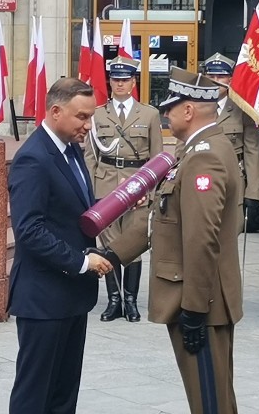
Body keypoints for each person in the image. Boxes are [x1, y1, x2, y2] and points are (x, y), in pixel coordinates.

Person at [100, 67, 243, 413]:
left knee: (210, 400)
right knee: (210, 395)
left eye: (171, 107)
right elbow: (159, 218)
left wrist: (194, 308)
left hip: (201, 302)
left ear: (189, 110)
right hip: (199, 298)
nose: (166, 114)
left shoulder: (204, 155)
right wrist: (114, 254)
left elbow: (201, 238)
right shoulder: (190, 150)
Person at [7, 78, 114, 414]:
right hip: (43, 297)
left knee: (63, 395)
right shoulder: (34, 159)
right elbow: (29, 229)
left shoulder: (70, 150)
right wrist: (83, 262)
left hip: (70, 294)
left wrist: (115, 203)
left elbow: (71, 210)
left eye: (90, 117)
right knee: (35, 394)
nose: (88, 125)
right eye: (82, 117)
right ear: (55, 111)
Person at [84, 56, 162, 322]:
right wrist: (91, 190)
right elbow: (90, 156)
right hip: (106, 184)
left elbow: (156, 158)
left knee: (132, 244)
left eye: (125, 80)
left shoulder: (149, 114)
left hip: (136, 186)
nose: (119, 84)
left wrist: (149, 193)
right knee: (109, 244)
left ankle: (130, 300)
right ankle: (114, 300)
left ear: (133, 82)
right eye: (115, 80)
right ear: (110, 82)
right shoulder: (97, 114)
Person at [177, 53, 259, 224]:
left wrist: (253, 192)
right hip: (197, 176)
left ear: (230, 79)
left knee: (230, 233)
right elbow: (181, 147)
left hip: (232, 178)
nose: (216, 80)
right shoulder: (191, 106)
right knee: (198, 229)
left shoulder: (243, 109)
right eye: (211, 76)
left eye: (221, 76)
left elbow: (251, 152)